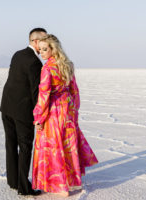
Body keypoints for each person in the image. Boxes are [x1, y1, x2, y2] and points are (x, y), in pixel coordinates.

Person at [32, 34, 99, 197]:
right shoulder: (67, 65)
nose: (41, 52)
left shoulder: (47, 68)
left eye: (44, 49)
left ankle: (60, 186)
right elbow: (74, 90)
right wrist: (74, 111)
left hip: (54, 111)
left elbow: (44, 94)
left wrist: (38, 118)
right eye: (40, 49)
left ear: (53, 49)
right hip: (67, 109)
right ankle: (70, 181)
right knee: (67, 145)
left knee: (54, 147)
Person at [0, 28, 47, 196]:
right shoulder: (34, 62)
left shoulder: (17, 54)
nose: (46, 43)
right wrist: (38, 117)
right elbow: (36, 92)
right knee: (25, 147)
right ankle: (24, 188)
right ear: (35, 42)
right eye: (44, 40)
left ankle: (13, 181)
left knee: (11, 144)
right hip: (22, 111)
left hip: (6, 107)